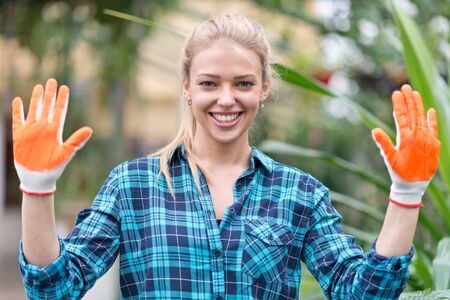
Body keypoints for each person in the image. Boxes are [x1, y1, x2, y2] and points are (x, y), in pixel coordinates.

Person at [12, 14, 440, 300]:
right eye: (209, 83)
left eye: (243, 84)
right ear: (187, 87)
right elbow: (55, 288)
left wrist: (405, 194)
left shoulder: (300, 194)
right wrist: (37, 189)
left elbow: (362, 292)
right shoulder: (133, 185)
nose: (226, 99)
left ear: (264, 88)